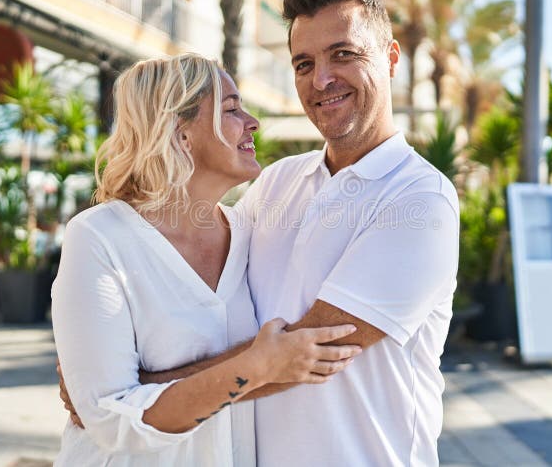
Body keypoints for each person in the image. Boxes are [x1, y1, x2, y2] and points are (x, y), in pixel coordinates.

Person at [61, 0, 459, 466]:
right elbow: (180, 267)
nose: (322, 80)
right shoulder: (275, 184)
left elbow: (300, 353)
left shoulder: (420, 200)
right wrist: (94, 359)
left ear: (391, 58)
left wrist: (130, 393)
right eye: (303, 63)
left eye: (344, 54)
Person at [50, 54, 362, 466]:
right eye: (231, 109)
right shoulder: (99, 237)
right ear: (181, 135)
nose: (253, 122)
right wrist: (255, 367)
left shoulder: (250, 234)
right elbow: (109, 419)